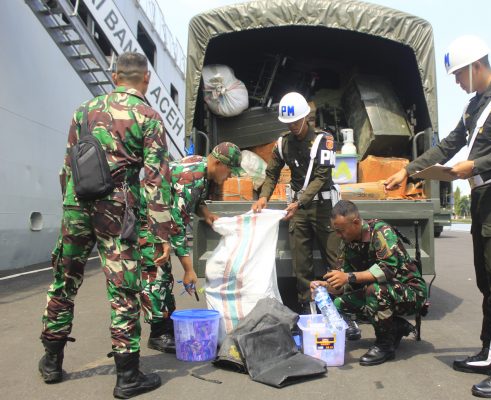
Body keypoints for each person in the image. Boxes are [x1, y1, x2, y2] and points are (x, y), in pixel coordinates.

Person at [385, 35, 491, 397]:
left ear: (476, 66)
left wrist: (476, 164)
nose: (456, 81)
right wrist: (408, 170)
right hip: (483, 198)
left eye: (458, 74)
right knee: (488, 283)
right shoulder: (474, 107)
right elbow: (448, 145)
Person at [39, 52, 173, 399]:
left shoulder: (83, 111)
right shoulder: (148, 117)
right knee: (123, 289)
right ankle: (127, 376)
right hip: (116, 211)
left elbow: (68, 165)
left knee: (64, 281)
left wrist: (70, 205)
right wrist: (161, 234)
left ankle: (51, 361)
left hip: (76, 204)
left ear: (115, 77)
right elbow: (156, 180)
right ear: (146, 80)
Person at [139, 143, 243, 353]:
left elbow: (195, 201)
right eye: (229, 169)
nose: (230, 175)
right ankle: (158, 334)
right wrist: (188, 270)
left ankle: (167, 325)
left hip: (158, 218)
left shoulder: (202, 169)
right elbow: (176, 225)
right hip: (147, 219)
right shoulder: (192, 178)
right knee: (156, 274)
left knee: (164, 276)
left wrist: (207, 215)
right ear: (218, 163)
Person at [251, 92, 341, 315]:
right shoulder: (283, 143)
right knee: (301, 264)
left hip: (323, 208)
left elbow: (321, 177)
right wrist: (263, 197)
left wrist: (299, 202)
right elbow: (271, 173)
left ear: (306, 117)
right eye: (288, 122)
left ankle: (340, 306)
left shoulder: (324, 140)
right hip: (299, 210)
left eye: (295, 121)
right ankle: (307, 308)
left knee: (335, 260)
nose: (292, 126)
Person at [310, 200, 427, 366]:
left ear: (356, 222)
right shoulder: (347, 243)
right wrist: (325, 287)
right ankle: (395, 327)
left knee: (375, 290)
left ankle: (385, 346)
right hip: (384, 291)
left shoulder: (380, 231)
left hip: (411, 291)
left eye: (341, 230)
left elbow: (387, 269)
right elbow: (342, 285)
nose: (339, 235)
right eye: (336, 231)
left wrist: (349, 277)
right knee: (338, 304)